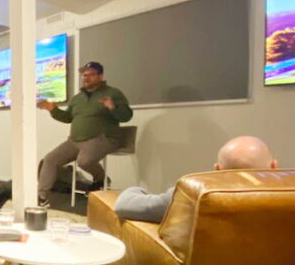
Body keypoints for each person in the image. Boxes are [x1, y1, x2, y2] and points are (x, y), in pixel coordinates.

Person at [114, 136, 279, 224]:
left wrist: (135, 189)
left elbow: (124, 205)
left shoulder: (192, 196)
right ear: (274, 166)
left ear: (217, 170)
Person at [36, 61, 133, 208]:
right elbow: (67, 118)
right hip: (74, 141)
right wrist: (53, 109)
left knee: (84, 161)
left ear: (100, 76)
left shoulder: (113, 93)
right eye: (84, 75)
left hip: (103, 138)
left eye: (91, 75)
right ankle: (41, 197)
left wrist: (112, 107)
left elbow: (126, 116)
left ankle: (100, 179)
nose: (86, 78)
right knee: (50, 159)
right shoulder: (77, 98)